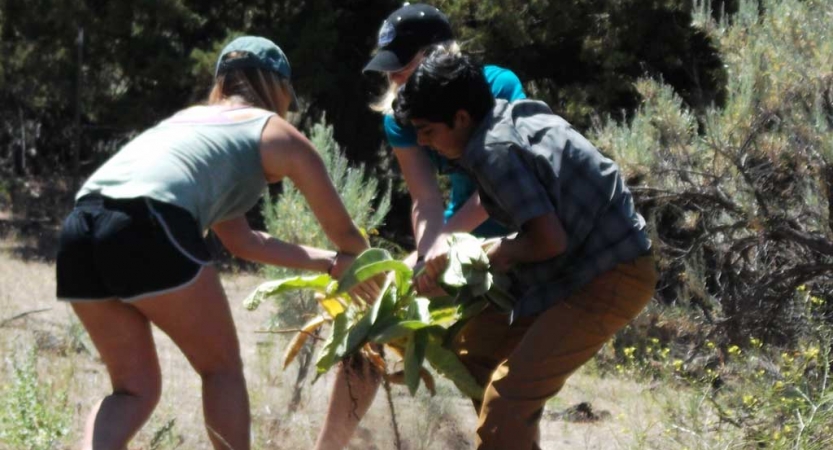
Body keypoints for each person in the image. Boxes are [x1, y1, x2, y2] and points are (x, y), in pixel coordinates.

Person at [56, 36, 370, 450]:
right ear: (278, 89)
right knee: (221, 369)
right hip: (150, 221)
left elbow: (242, 239)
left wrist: (331, 263)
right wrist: (369, 269)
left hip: (79, 228)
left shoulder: (191, 124)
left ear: (221, 83)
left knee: (133, 391)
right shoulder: (276, 132)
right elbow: (346, 235)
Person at [393, 50, 659, 449]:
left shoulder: (493, 150)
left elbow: (548, 240)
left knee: (507, 399)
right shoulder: (505, 116)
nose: (424, 143)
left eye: (428, 130)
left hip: (611, 272)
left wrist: (479, 256)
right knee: (473, 353)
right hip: (576, 266)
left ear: (461, 118)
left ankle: (505, 432)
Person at [313, 5, 526, 448]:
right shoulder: (399, 119)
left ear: (434, 54)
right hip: (453, 245)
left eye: (401, 68)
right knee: (369, 331)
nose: (393, 80)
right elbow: (426, 198)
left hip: (513, 240)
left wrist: (439, 249)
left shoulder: (499, 86)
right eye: (389, 71)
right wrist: (426, 256)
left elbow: (497, 190)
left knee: (492, 371)